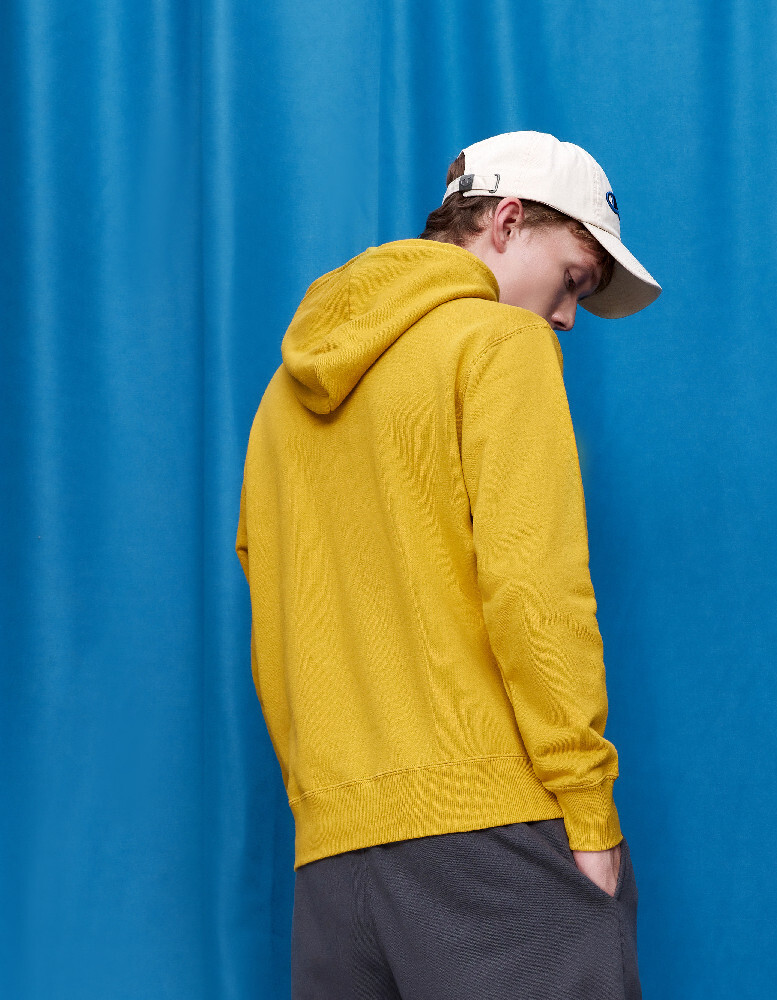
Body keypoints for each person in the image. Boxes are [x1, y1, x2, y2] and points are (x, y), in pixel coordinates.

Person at [235, 130, 660, 999]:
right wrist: (588, 812)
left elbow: (275, 606)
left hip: (333, 866)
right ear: (506, 221)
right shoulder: (499, 344)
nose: (566, 316)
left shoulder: (281, 400)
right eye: (572, 279)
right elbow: (535, 594)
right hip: (494, 841)